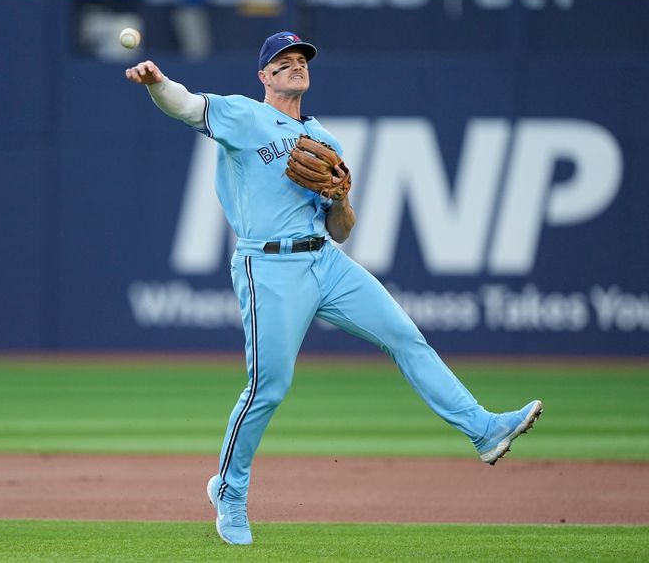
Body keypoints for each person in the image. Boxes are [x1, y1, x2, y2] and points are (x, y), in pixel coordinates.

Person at [125, 31, 542, 546]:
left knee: (405, 336)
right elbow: (186, 106)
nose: (295, 66)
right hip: (269, 266)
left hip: (327, 258)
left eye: (301, 60)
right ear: (264, 76)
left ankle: (483, 430)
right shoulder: (243, 115)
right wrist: (156, 83)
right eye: (283, 62)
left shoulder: (326, 140)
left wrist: (341, 199)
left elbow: (343, 228)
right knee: (267, 388)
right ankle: (229, 494)